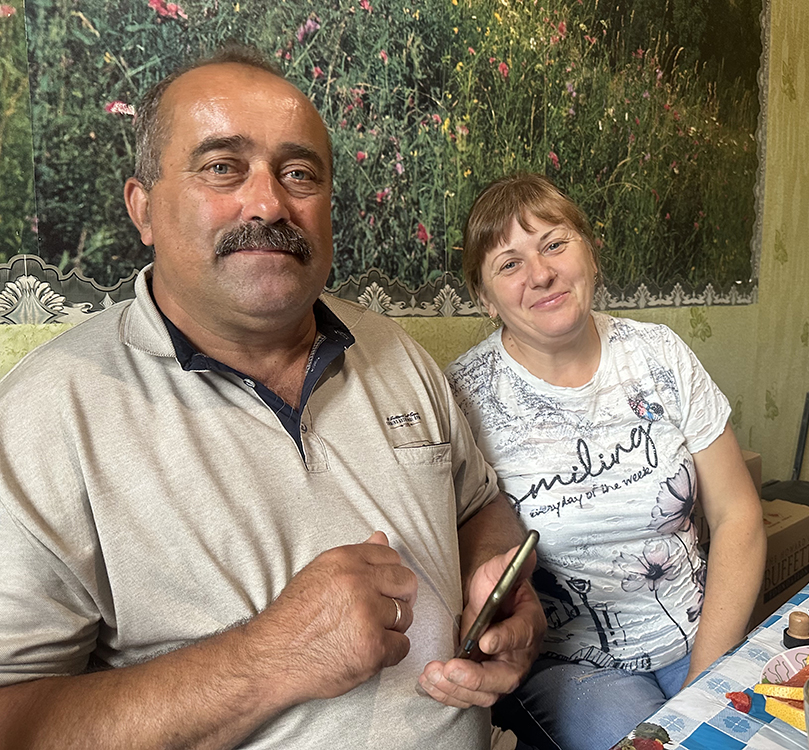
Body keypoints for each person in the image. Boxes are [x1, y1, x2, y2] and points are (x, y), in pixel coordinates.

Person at [0, 46, 545, 749]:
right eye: (223, 167)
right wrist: (273, 658)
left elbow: (481, 509)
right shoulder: (45, 414)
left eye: (299, 174)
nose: (268, 203)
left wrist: (500, 595)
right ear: (144, 208)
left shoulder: (396, 352)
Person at [445, 173, 767, 750]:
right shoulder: (463, 399)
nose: (540, 273)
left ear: (589, 251)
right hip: (573, 668)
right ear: (484, 297)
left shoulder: (660, 355)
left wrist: (705, 681)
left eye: (554, 244)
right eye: (509, 264)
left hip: (702, 635)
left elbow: (738, 515)